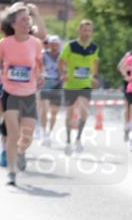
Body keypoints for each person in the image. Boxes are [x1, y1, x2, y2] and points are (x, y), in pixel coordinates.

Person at [0, 5, 44, 185]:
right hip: (9, 93)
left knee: (26, 137)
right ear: (13, 24)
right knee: (13, 133)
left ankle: (20, 152)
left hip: (29, 94)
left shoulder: (35, 43)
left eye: (28, 19)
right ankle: (12, 171)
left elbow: (39, 65)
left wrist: (41, 75)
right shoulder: (4, 43)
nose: (27, 22)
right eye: (23, 19)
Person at [59, 20, 99, 155]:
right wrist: (62, 74)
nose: (87, 33)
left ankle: (78, 139)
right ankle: (68, 141)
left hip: (85, 85)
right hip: (70, 84)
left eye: (89, 30)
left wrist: (93, 76)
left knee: (84, 112)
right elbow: (61, 60)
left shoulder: (94, 47)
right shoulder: (70, 46)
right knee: (70, 113)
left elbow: (95, 61)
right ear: (79, 31)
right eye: (84, 30)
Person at [39, 36, 63, 145]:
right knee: (44, 109)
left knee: (54, 112)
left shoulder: (62, 57)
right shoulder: (43, 55)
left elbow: (65, 69)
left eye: (56, 44)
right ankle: (43, 132)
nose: (54, 47)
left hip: (57, 84)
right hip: (46, 83)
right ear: (49, 45)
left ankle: (49, 133)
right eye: (52, 44)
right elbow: (39, 66)